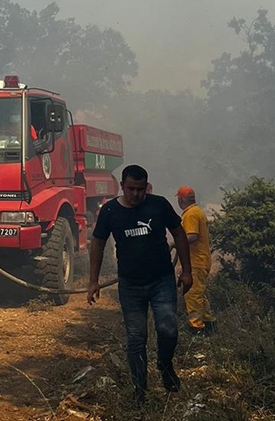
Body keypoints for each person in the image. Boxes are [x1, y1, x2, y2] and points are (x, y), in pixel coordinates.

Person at [87, 164, 193, 405]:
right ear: (122, 186)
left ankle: (165, 366)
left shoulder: (159, 205)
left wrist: (187, 271)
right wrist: (93, 281)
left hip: (162, 280)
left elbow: (178, 233)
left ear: (147, 186)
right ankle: (140, 390)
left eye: (140, 189)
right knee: (136, 338)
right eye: (131, 189)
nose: (135, 194)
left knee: (168, 329)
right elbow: (98, 244)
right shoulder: (110, 211)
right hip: (131, 285)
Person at [171, 186, 216, 335]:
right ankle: (209, 323)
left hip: (196, 262)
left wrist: (174, 243)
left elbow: (192, 236)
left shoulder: (190, 215)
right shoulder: (197, 211)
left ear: (180, 199)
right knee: (199, 293)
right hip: (202, 260)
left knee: (192, 294)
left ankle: (196, 327)